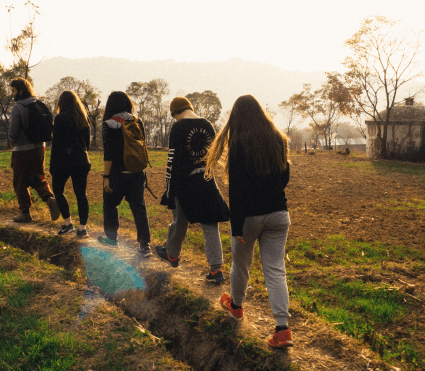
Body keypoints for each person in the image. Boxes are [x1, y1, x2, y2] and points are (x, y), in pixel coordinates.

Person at [205, 94, 293, 348]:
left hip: (250, 217)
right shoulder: (278, 139)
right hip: (279, 214)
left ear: (237, 117)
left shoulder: (240, 143)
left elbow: (238, 190)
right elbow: (284, 177)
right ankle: (282, 329)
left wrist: (237, 226)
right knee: (276, 270)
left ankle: (236, 306)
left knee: (241, 265)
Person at [155, 97, 230, 283]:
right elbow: (213, 155)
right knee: (210, 224)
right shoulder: (208, 125)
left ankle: (172, 255)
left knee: (179, 220)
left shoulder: (178, 128)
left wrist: (168, 189)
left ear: (175, 112)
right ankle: (216, 270)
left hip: (184, 183)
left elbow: (172, 160)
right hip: (206, 179)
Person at [99, 91, 152, 256]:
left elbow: (109, 154)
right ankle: (145, 245)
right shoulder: (137, 121)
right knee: (139, 208)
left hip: (117, 174)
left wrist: (106, 177)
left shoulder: (109, 124)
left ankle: (111, 239)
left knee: (110, 204)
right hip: (137, 173)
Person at [7, 77, 61, 223]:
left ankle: (25, 213)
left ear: (20, 91)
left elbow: (12, 133)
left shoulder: (17, 107)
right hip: (39, 148)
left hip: (21, 150)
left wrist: (12, 145)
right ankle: (50, 199)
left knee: (20, 181)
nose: (12, 94)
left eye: (13, 91)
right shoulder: (39, 104)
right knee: (37, 177)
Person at [50, 90, 91, 238]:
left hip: (64, 160)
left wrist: (52, 164)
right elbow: (87, 144)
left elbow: (56, 144)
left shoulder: (60, 118)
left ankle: (68, 224)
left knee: (58, 190)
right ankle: (82, 228)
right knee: (81, 194)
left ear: (61, 103)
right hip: (81, 160)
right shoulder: (83, 118)